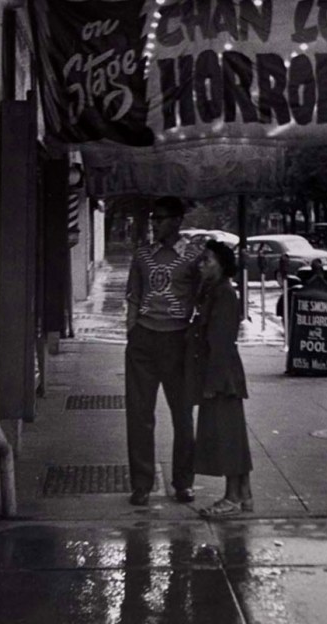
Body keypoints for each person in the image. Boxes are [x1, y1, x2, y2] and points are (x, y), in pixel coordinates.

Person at [125, 196, 200, 507]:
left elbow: (203, 295)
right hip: (144, 339)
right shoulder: (143, 255)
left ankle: (184, 483)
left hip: (178, 341)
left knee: (182, 415)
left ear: (177, 221)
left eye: (161, 218)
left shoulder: (193, 256)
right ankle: (141, 485)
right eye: (153, 218)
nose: (154, 223)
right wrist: (132, 330)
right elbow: (133, 294)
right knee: (139, 414)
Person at [187, 239, 253, 517]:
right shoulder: (213, 291)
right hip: (220, 374)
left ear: (222, 266)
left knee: (226, 438)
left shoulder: (224, 294)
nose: (202, 264)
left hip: (221, 377)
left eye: (208, 260)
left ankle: (232, 498)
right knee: (232, 436)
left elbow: (221, 342)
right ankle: (243, 494)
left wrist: (212, 383)